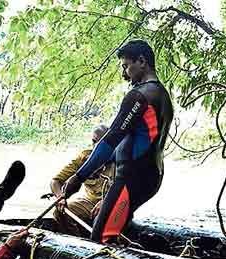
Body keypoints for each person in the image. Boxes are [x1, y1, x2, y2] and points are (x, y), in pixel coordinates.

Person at [61, 40, 173, 244]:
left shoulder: (140, 96)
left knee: (100, 238)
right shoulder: (164, 96)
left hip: (131, 178)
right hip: (151, 176)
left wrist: (77, 178)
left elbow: (110, 140)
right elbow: (135, 141)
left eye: (125, 66)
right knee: (114, 229)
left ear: (141, 61)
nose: (124, 74)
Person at [50, 124, 115, 235]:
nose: (96, 147)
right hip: (88, 202)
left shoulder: (120, 159)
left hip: (114, 204)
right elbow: (55, 181)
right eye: (94, 142)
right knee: (59, 211)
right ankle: (77, 241)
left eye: (100, 144)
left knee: (103, 220)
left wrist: (106, 202)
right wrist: (60, 197)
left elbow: (128, 189)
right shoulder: (84, 157)